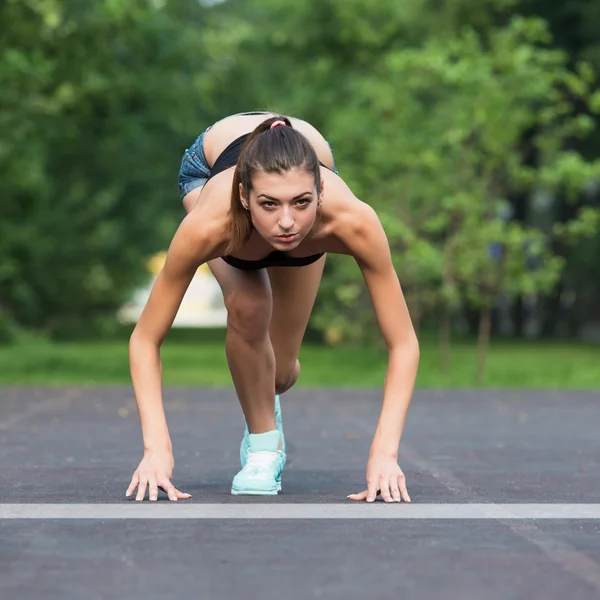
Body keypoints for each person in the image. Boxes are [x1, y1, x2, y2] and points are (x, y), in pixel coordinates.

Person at [125, 111, 419, 503]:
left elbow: (403, 344)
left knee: (277, 375)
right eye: (269, 204)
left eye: (301, 203)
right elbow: (145, 339)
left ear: (320, 192)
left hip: (304, 155)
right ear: (245, 197)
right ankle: (264, 447)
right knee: (249, 304)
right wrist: (156, 450)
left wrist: (385, 455)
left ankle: (264, 394)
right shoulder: (211, 224)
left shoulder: (352, 222)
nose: (286, 222)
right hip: (210, 165)